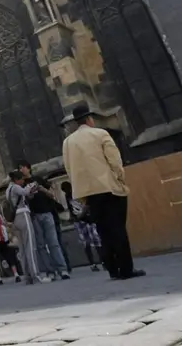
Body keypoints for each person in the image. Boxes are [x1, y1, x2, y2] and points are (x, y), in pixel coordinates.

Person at [62, 101, 144, 280]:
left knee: (103, 231)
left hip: (89, 193)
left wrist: (81, 194)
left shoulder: (68, 142)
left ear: (77, 122)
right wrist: (120, 179)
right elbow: (115, 161)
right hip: (109, 188)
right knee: (118, 230)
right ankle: (126, 269)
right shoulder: (100, 134)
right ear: (90, 119)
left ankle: (113, 270)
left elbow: (69, 169)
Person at [18, 161, 70, 280]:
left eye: (22, 167)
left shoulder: (38, 179)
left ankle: (62, 269)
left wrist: (41, 188)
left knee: (54, 243)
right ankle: (50, 271)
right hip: (34, 216)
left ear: (28, 168)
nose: (21, 170)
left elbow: (51, 194)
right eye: (19, 168)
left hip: (47, 213)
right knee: (41, 245)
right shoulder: (21, 185)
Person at [5, 169, 47, 284]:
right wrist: (32, 185)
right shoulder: (16, 187)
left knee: (22, 249)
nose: (23, 181)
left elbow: (26, 196)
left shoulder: (8, 189)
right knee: (30, 246)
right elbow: (25, 192)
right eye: (22, 179)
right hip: (23, 215)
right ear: (17, 180)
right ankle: (36, 275)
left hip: (15, 219)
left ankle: (27, 276)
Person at [62, 180, 102, 271]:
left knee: (93, 241)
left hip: (86, 219)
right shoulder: (68, 196)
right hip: (81, 220)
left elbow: (86, 205)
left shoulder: (78, 193)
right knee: (91, 242)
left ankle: (98, 262)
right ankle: (97, 262)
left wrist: (79, 216)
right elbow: (70, 208)